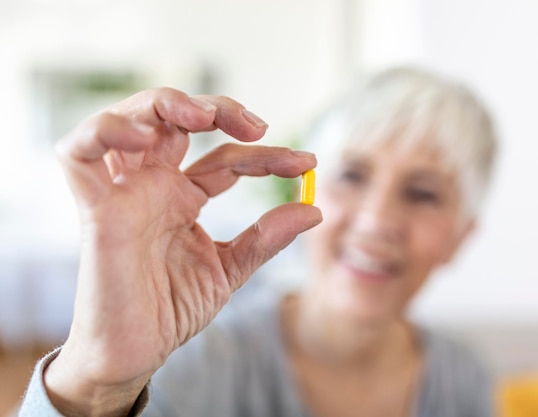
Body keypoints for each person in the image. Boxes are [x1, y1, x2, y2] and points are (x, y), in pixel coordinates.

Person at [18, 66, 498, 417]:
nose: (376, 221)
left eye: (423, 193)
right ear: (300, 189)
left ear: (460, 236)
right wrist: (94, 382)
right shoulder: (203, 364)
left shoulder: (462, 379)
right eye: (352, 175)